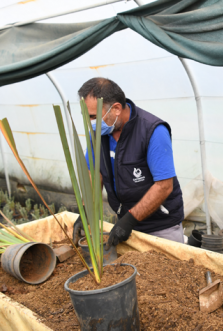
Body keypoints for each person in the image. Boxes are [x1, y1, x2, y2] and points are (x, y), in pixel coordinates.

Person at [72, 78, 185, 247]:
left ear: (116, 108)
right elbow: (95, 175)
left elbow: (164, 186)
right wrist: (85, 209)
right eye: (86, 117)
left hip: (161, 227)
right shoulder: (97, 134)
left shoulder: (152, 131)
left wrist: (130, 220)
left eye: (93, 116)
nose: (90, 123)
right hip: (125, 222)